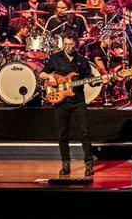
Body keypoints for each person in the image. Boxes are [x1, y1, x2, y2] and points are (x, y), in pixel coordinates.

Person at [40, 32, 107, 177]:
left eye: (71, 44)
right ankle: (65, 164)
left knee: (85, 133)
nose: (68, 47)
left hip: (78, 101)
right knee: (62, 134)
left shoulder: (82, 60)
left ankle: (88, 164)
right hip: (61, 102)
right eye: (65, 44)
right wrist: (50, 77)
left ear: (76, 44)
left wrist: (101, 80)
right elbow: (41, 74)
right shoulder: (55, 58)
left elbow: (90, 79)